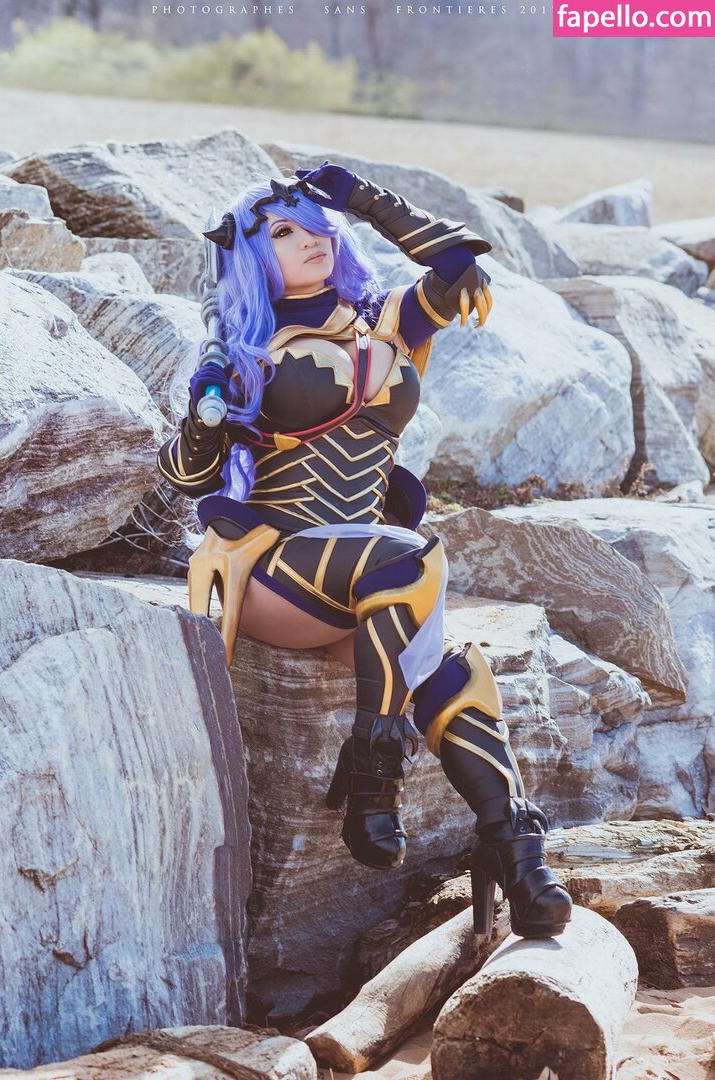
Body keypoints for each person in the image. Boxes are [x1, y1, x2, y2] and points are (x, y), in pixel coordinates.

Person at [157, 162, 572, 938]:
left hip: (371, 578)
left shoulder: (385, 323)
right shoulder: (243, 349)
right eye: (280, 231)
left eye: (313, 223)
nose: (306, 238)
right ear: (249, 256)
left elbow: (458, 266)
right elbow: (186, 476)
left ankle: (513, 848)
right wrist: (206, 416)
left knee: (453, 675)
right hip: (279, 567)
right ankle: (374, 772)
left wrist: (363, 198)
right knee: (411, 557)